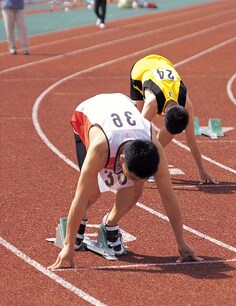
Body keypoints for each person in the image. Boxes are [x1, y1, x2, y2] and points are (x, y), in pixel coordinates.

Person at [48, 93, 202, 270]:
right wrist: (67, 246)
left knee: (136, 187)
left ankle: (110, 224)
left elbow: (168, 196)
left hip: (123, 106)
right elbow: (79, 196)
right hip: (88, 114)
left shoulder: (154, 147)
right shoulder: (100, 148)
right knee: (92, 191)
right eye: (132, 175)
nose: (134, 181)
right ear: (121, 159)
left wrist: (181, 242)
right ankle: (81, 221)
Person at [130, 54, 216, 184]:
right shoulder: (152, 104)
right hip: (140, 70)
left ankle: (152, 159)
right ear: (163, 115)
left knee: (167, 132)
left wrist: (202, 170)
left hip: (164, 63)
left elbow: (191, 141)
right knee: (141, 129)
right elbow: (134, 133)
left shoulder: (186, 106)